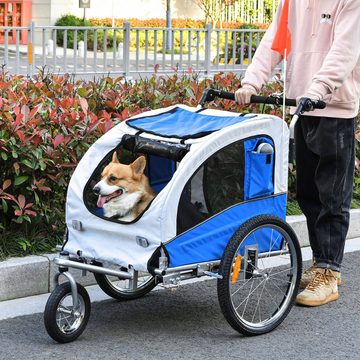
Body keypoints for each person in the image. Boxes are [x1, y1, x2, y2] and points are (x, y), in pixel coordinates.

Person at [235, 0, 360, 307]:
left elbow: (345, 50)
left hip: (334, 108)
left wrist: (318, 88)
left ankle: (329, 274)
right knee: (307, 192)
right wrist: (252, 80)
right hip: (301, 105)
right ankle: (321, 262)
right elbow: (274, 41)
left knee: (332, 195)